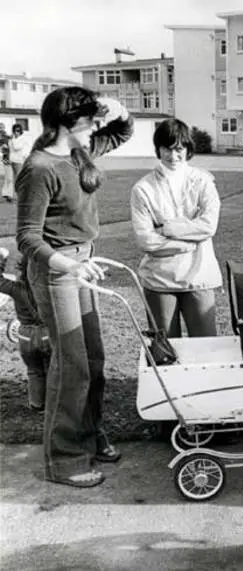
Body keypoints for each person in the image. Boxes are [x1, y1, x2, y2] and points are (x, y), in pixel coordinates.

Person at [16, 86, 134, 488]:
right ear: (71, 123)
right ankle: (64, 460)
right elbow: (27, 237)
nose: (97, 128)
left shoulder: (79, 152)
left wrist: (113, 107)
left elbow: (122, 131)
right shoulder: (40, 168)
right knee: (72, 366)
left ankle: (90, 435)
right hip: (56, 271)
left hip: (81, 262)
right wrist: (71, 265)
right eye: (91, 121)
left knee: (94, 360)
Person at [130, 118, 222, 338]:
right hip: (159, 279)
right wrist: (187, 244)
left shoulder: (203, 182)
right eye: (166, 149)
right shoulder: (142, 189)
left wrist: (167, 228)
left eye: (179, 149)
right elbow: (145, 240)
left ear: (188, 149)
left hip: (199, 276)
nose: (173, 156)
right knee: (165, 351)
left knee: (206, 348)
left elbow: (208, 226)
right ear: (158, 149)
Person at [0, 247, 50, 411]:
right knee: (52, 370)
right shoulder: (49, 288)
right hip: (47, 333)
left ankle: (37, 404)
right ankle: (53, 405)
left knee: (34, 371)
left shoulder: (17, 288)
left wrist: (2, 258)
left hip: (25, 335)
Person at [1, 123, 12, 202]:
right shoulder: (2, 137)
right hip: (6, 157)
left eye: (2, 127)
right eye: (0, 127)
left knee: (8, 177)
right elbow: (3, 146)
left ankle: (6, 193)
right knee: (8, 177)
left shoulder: (6, 136)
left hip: (11, 157)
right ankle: (8, 194)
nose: (1, 128)